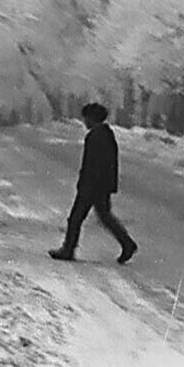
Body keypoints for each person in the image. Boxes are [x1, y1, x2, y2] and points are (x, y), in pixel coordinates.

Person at [49, 103, 137, 264]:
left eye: (86, 118)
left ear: (92, 118)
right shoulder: (106, 134)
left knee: (76, 218)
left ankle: (68, 249)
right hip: (101, 185)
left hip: (92, 186)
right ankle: (127, 243)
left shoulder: (95, 136)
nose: (84, 122)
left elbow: (91, 164)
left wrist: (84, 184)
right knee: (105, 217)